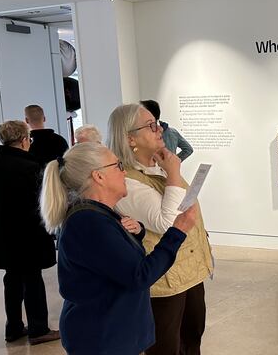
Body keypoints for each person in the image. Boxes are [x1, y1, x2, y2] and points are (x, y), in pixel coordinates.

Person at [39, 142, 200, 355]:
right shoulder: (89, 222)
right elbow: (140, 275)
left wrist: (138, 232)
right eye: (118, 166)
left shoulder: (100, 215)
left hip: (113, 333)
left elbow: (116, 261)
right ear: (98, 176)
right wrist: (177, 232)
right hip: (101, 338)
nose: (124, 172)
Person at [108, 103, 213, 355]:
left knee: (192, 338)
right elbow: (168, 223)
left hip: (189, 269)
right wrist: (174, 172)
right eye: (151, 125)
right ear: (130, 138)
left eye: (159, 123)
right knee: (166, 347)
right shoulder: (128, 181)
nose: (160, 129)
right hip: (164, 279)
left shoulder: (160, 168)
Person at [0, 121, 59, 345]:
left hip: (2, 233)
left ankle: (13, 327)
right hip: (27, 234)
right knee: (33, 279)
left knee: (13, 279)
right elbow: (40, 201)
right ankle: (38, 329)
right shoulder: (30, 166)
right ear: (25, 140)